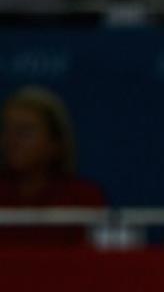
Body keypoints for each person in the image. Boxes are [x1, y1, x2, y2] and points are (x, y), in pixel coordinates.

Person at [0, 85, 107, 245]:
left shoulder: (83, 199)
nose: (11, 141)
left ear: (55, 142)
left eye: (24, 132)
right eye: (6, 131)